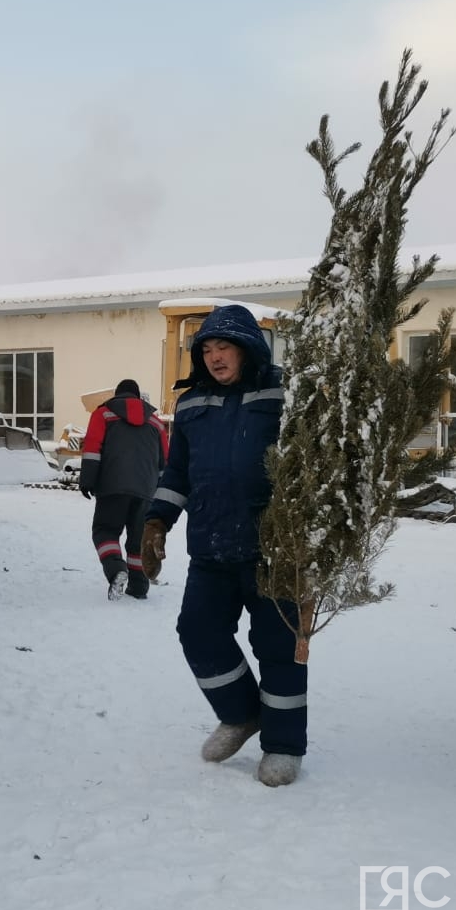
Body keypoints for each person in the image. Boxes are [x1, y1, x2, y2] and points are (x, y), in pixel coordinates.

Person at [140, 304, 306, 787]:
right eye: (206, 349)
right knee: (197, 631)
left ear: (248, 348)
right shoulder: (191, 404)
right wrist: (156, 521)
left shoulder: (285, 394)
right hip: (210, 544)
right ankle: (240, 714)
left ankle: (283, 745)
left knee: (278, 648)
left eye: (223, 347)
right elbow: (178, 473)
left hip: (276, 545)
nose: (214, 357)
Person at [79, 379, 168, 601]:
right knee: (138, 539)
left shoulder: (104, 414)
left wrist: (87, 480)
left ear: (117, 394)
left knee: (105, 531)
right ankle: (138, 587)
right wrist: (160, 492)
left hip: (112, 486)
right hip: (146, 490)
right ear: (138, 396)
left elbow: (92, 447)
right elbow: (164, 461)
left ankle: (116, 568)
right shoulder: (156, 423)